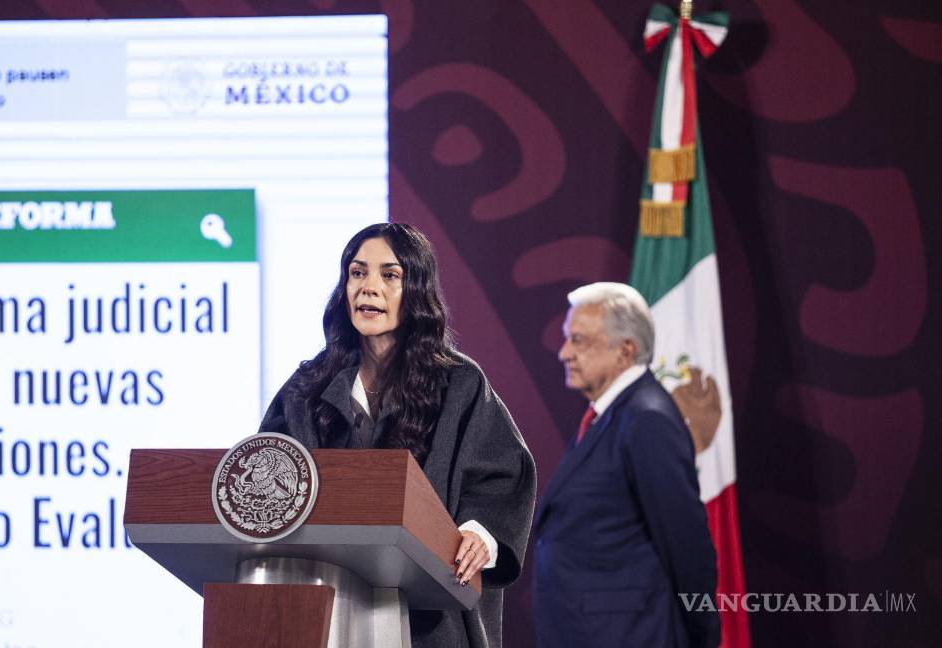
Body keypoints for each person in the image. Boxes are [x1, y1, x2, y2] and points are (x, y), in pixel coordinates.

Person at [259, 222, 536, 648]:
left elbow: (501, 476)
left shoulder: (459, 384)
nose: (368, 288)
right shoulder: (307, 388)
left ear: (417, 291)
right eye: (357, 273)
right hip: (327, 611)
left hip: (426, 618)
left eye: (389, 275)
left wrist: (480, 533)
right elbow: (268, 475)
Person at [532, 282, 719, 648]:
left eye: (579, 340)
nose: (564, 353)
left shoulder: (647, 419)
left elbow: (686, 543)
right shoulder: (612, 416)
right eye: (567, 338)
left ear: (626, 350)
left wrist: (702, 636)